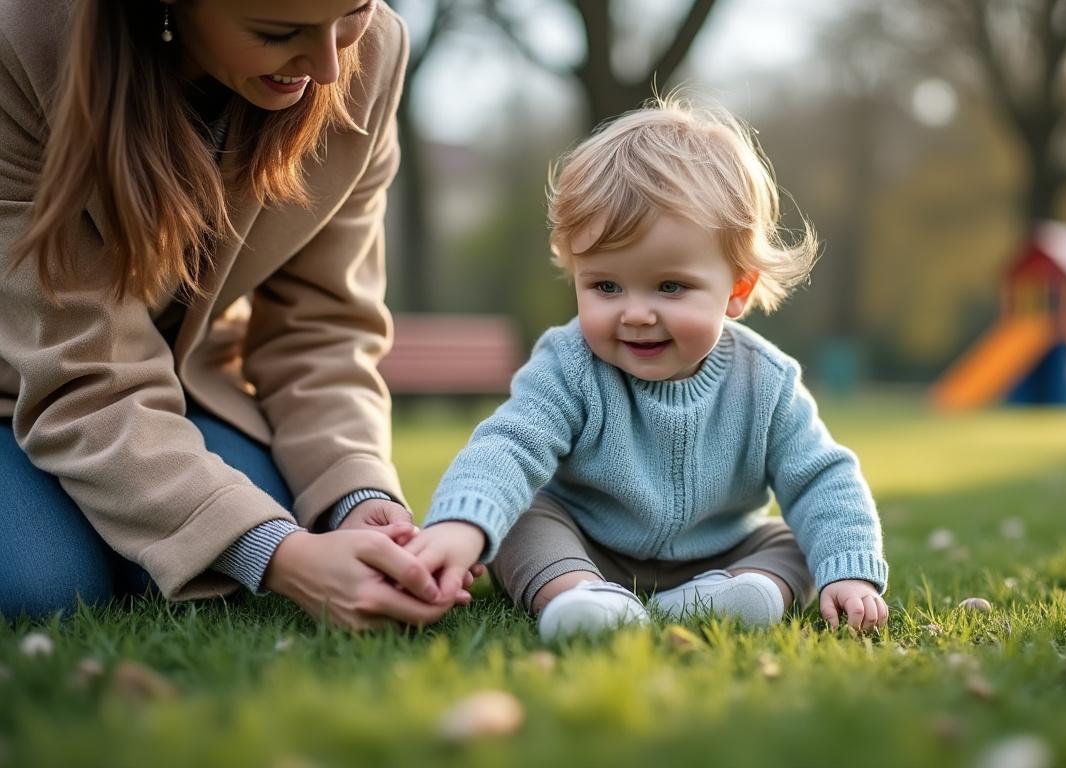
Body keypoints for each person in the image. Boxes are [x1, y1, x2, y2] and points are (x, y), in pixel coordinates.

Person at [0, 0, 476, 628]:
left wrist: (357, 494)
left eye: (354, 11)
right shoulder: (20, 43)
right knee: (42, 586)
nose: (330, 68)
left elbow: (322, 329)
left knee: (255, 533)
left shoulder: (372, 54)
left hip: (192, 389)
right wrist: (280, 554)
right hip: (24, 383)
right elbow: (75, 369)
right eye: (278, 32)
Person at [407, 98, 890, 641]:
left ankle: (735, 594)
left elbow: (822, 478)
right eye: (606, 286)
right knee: (523, 520)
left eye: (670, 286)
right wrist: (461, 523)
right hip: (585, 546)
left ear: (737, 288)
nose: (636, 314)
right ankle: (580, 597)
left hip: (722, 553)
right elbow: (509, 445)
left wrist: (849, 571)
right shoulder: (569, 365)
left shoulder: (765, 381)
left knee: (792, 542)